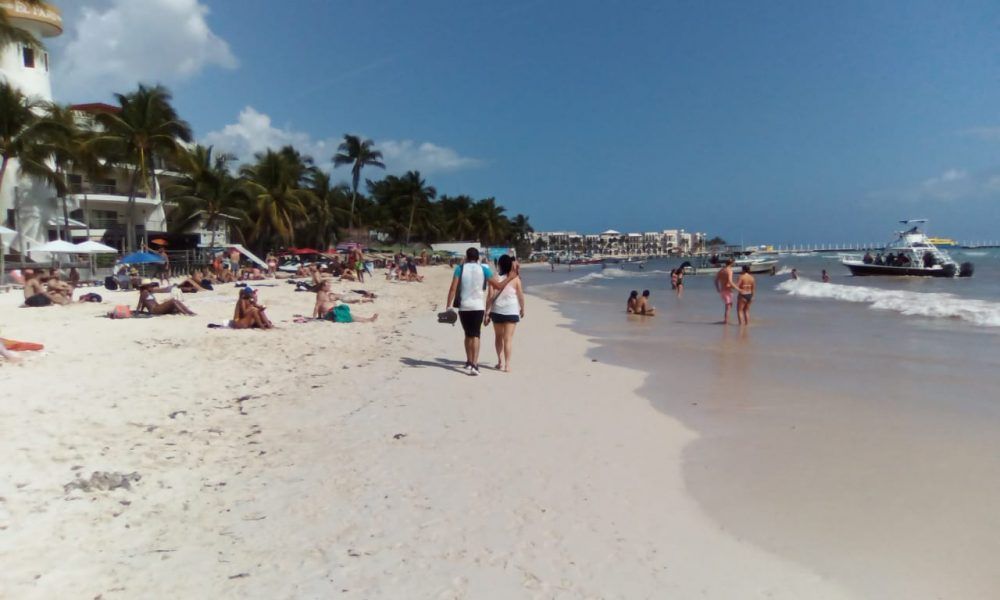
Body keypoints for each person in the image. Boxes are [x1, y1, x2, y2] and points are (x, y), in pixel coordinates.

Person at [445, 247, 519, 376]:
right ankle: (474, 364)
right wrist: (510, 277)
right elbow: (498, 286)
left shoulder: (459, 269)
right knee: (476, 335)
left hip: (464, 307)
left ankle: (469, 361)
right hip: (478, 307)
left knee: (468, 334)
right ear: (477, 258)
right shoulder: (484, 269)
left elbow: (453, 289)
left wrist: (448, 307)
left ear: (466, 257)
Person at [484, 255, 525, 372]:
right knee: (508, 339)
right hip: (511, 311)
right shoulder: (516, 279)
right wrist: (522, 308)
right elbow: (520, 296)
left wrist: (487, 312)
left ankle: (500, 361)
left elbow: (490, 296)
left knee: (498, 337)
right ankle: (507, 365)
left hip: (497, 311)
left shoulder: (495, 277)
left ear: (499, 265)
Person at [714, 259, 736, 324]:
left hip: (722, 291)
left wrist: (718, 288)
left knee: (728, 306)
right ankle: (726, 321)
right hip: (728, 290)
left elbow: (716, 280)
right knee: (728, 307)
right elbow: (730, 281)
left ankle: (726, 320)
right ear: (731, 263)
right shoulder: (729, 271)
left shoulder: (721, 270)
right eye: (733, 263)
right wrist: (737, 288)